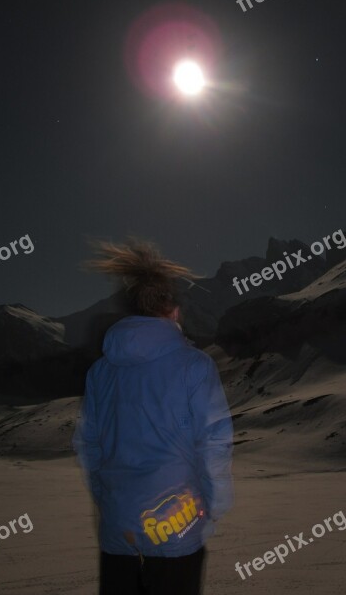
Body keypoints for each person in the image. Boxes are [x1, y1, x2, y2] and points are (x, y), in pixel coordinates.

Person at [73, 239, 234, 595]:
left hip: (118, 527)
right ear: (174, 311)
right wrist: (213, 506)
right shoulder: (195, 364)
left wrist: (110, 501)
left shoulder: (101, 371)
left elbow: (89, 445)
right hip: (178, 524)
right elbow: (215, 444)